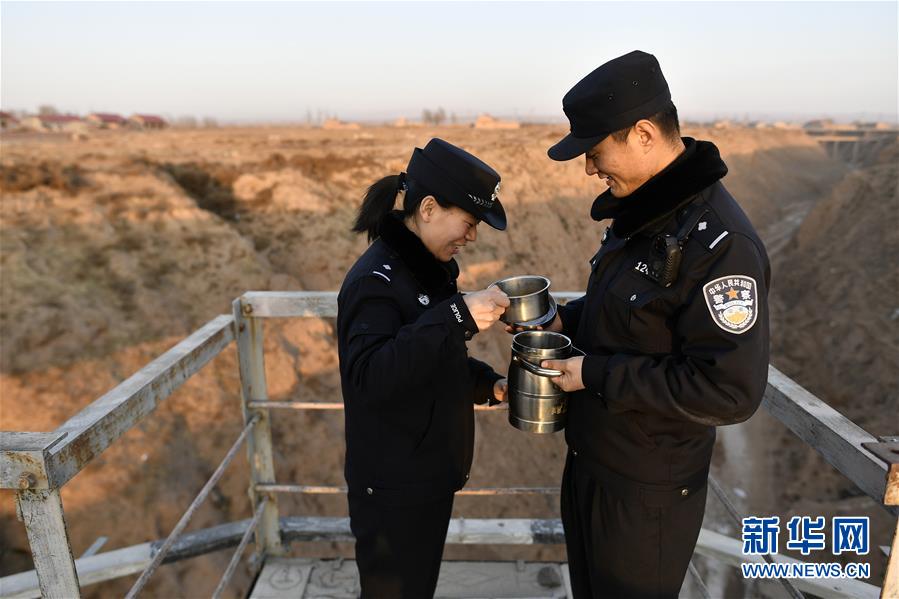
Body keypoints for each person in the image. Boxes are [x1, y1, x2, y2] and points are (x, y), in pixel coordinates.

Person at [540, 51, 770, 597]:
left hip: (645, 494)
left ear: (643, 133)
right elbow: (625, 319)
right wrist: (559, 318)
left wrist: (591, 375)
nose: (590, 169)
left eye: (595, 152)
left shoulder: (721, 245)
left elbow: (728, 391)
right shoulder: (643, 214)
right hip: (593, 465)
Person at [336, 138, 511, 598]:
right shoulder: (376, 281)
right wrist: (457, 316)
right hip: (393, 492)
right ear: (429, 208)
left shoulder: (429, 270)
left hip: (424, 481)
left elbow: (428, 360)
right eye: (468, 224)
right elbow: (370, 377)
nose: (471, 238)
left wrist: (487, 385)